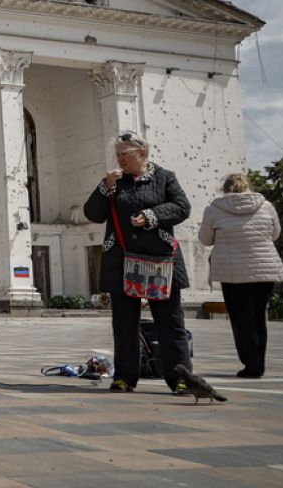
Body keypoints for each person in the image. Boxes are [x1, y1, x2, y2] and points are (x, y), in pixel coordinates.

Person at [84, 132, 193, 393]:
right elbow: (93, 214)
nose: (120, 160)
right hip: (121, 262)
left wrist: (151, 215)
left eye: (125, 154)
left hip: (159, 263)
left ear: (142, 154)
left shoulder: (165, 177)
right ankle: (124, 377)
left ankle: (180, 379)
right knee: (124, 324)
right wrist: (104, 187)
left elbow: (181, 207)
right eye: (118, 155)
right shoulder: (114, 182)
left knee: (170, 323)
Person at [198, 173, 283, 378]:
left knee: (241, 319)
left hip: (232, 272)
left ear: (225, 189)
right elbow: (275, 234)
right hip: (264, 269)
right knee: (258, 317)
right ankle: (259, 363)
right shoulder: (266, 206)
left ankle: (250, 364)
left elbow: (205, 239)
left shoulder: (214, 209)